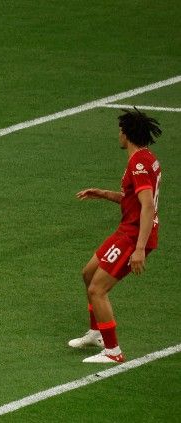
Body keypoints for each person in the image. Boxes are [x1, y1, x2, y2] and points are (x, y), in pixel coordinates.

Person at [68, 108, 162, 363]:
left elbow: (148, 206)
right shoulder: (146, 158)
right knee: (88, 274)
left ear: (127, 134)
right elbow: (135, 200)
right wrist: (103, 193)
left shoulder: (138, 164)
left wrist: (140, 248)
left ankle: (113, 352)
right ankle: (96, 332)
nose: (118, 135)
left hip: (133, 235)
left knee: (98, 289)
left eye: (120, 131)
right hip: (127, 229)